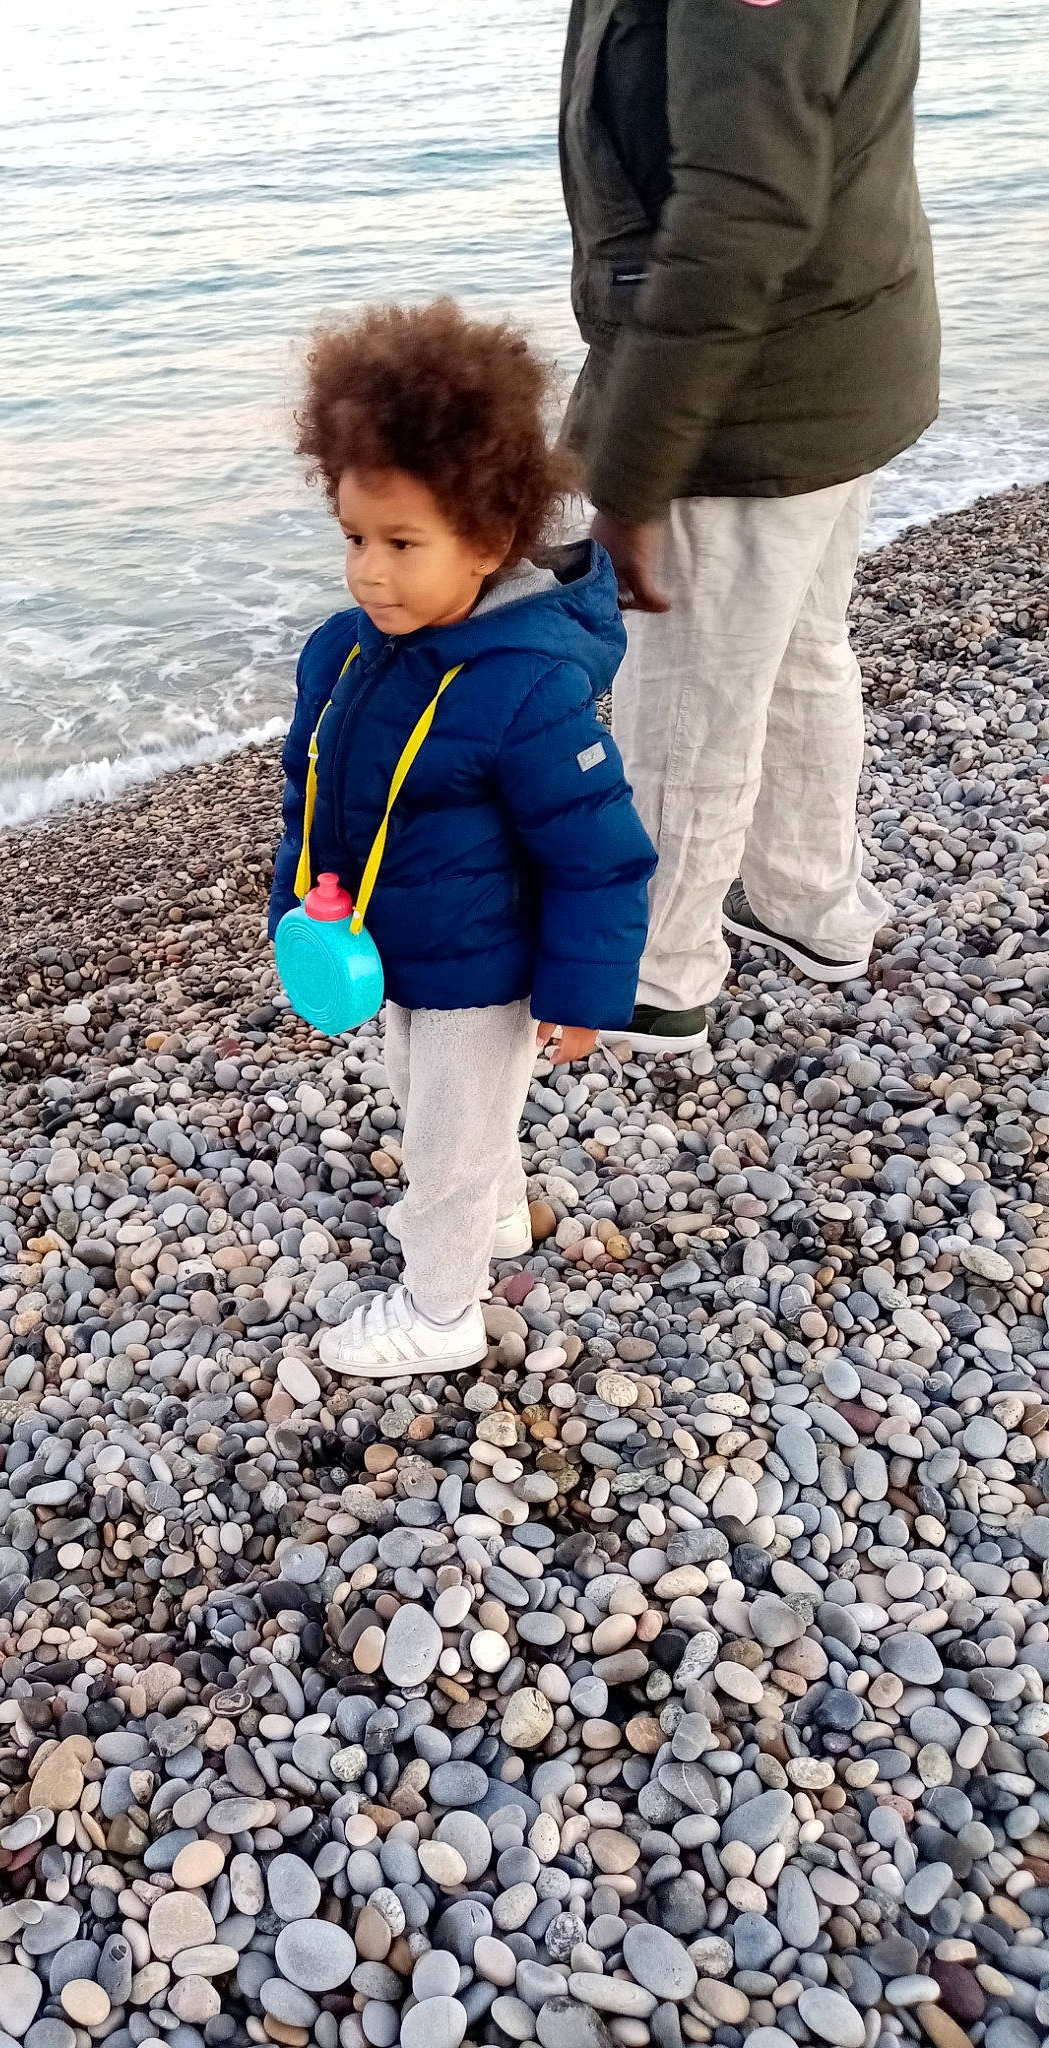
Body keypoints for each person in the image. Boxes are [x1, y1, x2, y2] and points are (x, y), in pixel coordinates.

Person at [269, 301, 657, 1379]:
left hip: (487, 968)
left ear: (487, 542)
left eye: (403, 545)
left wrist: (582, 991)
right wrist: (296, 905)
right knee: (427, 1092)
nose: (369, 573)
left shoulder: (524, 686)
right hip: (399, 944)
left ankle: (440, 1311)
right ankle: (496, 1215)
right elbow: (312, 789)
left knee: (443, 1136)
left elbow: (599, 853)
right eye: (355, 538)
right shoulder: (348, 652)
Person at [558, 0, 940, 1053]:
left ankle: (653, 973)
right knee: (799, 648)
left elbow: (741, 207)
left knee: (690, 688)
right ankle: (808, 899)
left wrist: (636, 473)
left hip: (748, 385)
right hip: (835, 349)